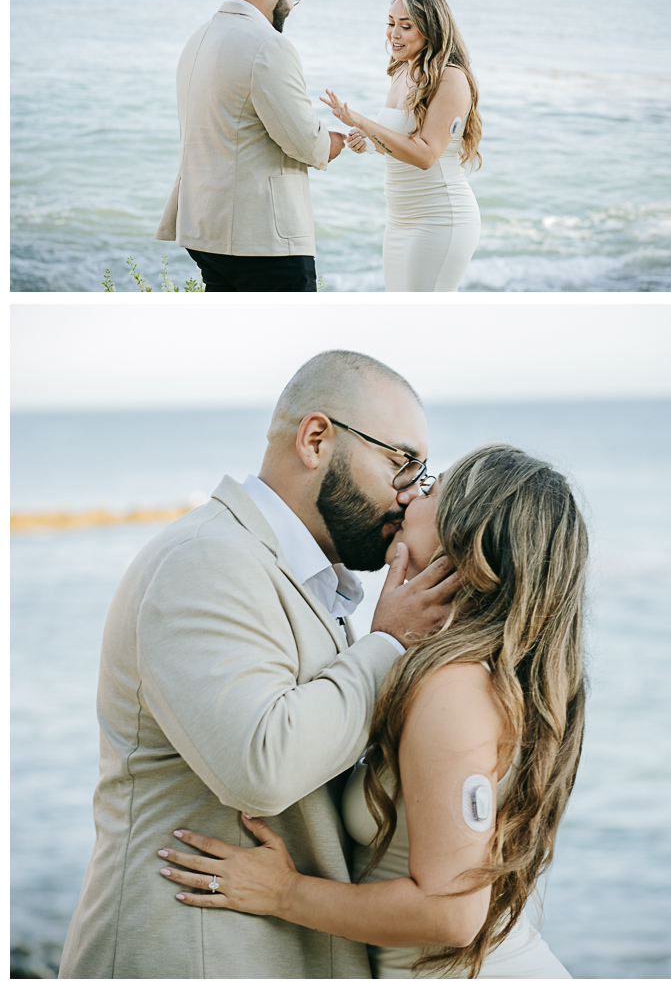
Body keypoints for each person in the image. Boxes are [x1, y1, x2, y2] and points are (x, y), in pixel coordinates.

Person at [57, 351, 460, 979]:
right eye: (401, 462)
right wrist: (387, 643)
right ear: (317, 439)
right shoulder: (204, 559)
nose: (410, 492)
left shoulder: (305, 577)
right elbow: (260, 764)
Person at [154, 444, 588, 979]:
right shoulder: (473, 673)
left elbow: (451, 912)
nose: (407, 497)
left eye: (429, 490)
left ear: (467, 539)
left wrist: (284, 893)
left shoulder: (455, 688)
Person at [154, 0, 346, 293]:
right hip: (260, 239)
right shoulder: (268, 45)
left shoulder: (197, 39)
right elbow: (306, 141)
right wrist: (336, 141)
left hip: (206, 232)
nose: (291, 3)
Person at [322, 0, 482, 293]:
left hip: (439, 220)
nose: (394, 33)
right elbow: (396, 142)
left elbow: (424, 155)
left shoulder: (450, 78)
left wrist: (362, 121)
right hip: (399, 221)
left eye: (406, 26)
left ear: (431, 30)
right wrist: (365, 141)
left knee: (422, 321)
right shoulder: (402, 72)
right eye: (391, 23)